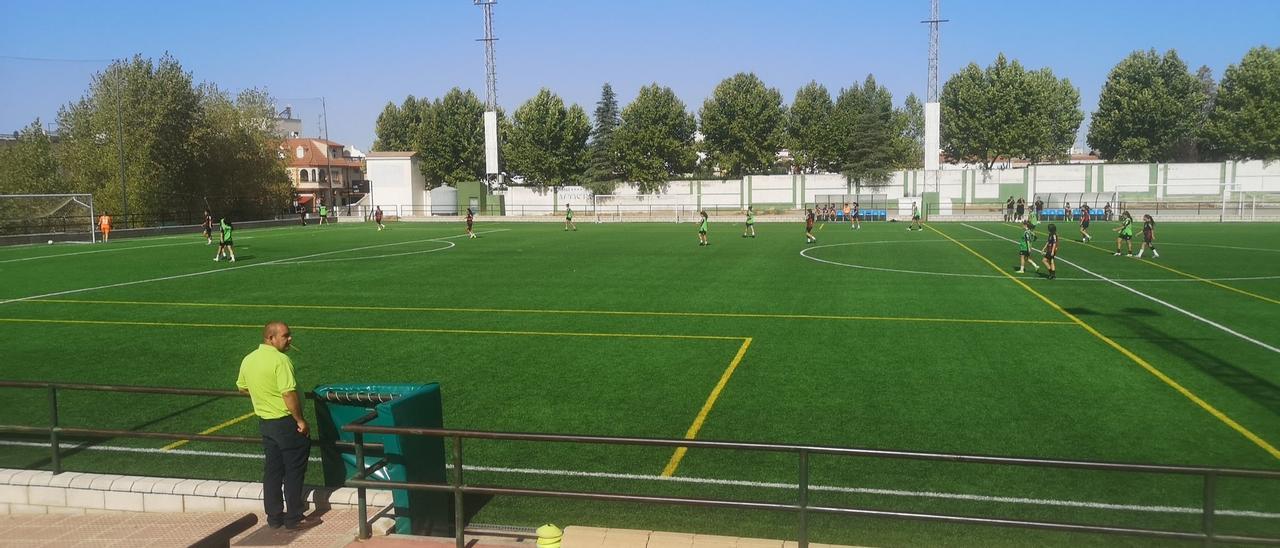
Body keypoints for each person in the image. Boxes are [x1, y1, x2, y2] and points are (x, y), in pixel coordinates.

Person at [236, 322, 319, 531]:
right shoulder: (281, 360)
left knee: (272, 470)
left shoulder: (249, 359)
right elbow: (288, 393)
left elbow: (242, 387)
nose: (289, 339)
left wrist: (263, 395)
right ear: (270, 338)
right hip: (285, 423)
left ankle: (274, 517)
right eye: (285, 336)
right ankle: (294, 517)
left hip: (266, 423)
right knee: (293, 470)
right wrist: (300, 420)